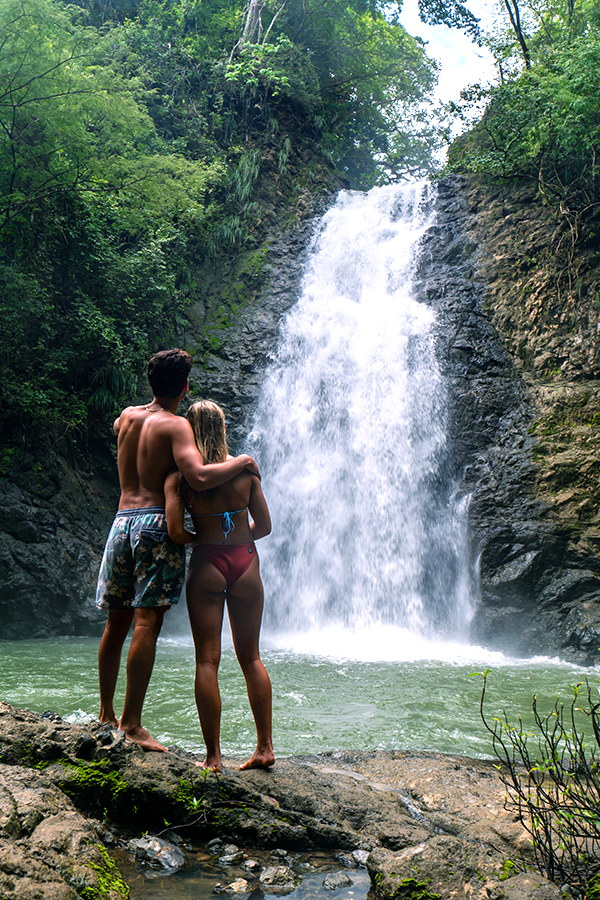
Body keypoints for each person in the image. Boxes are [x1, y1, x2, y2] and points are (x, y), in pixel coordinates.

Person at [95, 349, 260, 753]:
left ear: (151, 382)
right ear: (185, 387)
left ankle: (106, 713)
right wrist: (243, 462)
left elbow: (118, 426)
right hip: (154, 524)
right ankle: (132, 723)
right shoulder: (177, 426)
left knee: (116, 623)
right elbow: (199, 477)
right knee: (146, 622)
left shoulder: (127, 417)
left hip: (121, 522)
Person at [165, 399, 274, 772]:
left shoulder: (180, 480)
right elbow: (265, 526)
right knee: (251, 657)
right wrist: (239, 538)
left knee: (207, 660)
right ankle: (264, 748)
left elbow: (176, 531)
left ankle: (213, 757)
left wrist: (202, 540)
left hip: (207, 563)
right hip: (245, 561)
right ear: (223, 429)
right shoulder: (246, 473)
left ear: (190, 433)